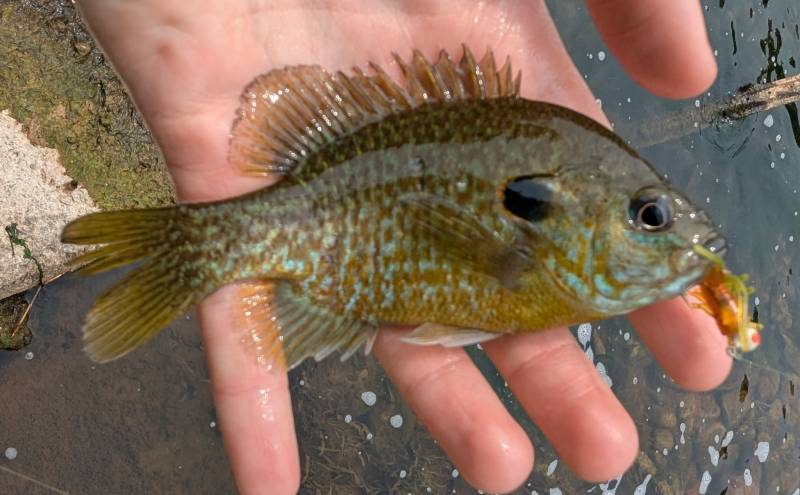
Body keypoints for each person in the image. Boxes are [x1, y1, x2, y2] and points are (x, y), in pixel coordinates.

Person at [76, 1, 730, 493]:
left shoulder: (553, 264)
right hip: (327, 186)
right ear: (568, 203)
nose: (675, 237)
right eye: (648, 215)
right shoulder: (541, 267)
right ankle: (185, 251)